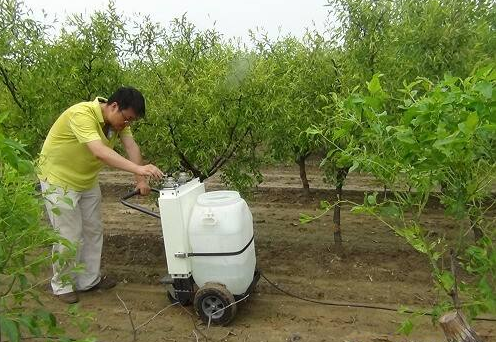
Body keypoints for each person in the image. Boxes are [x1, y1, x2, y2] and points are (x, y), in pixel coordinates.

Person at [38, 87, 163, 304]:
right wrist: (139, 170)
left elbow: (131, 146)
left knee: (93, 229)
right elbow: (99, 151)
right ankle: (62, 284)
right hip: (58, 180)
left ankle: (88, 280)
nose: (127, 124)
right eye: (127, 118)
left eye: (131, 121)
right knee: (69, 235)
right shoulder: (82, 114)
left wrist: (141, 180)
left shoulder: (118, 123)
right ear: (114, 106)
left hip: (86, 180)